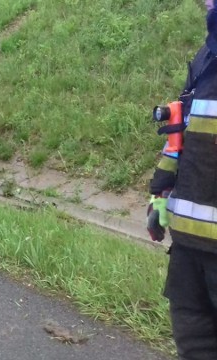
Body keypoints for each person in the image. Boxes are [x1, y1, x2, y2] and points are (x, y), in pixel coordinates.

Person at [147, 3, 217, 359]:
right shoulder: (207, 56)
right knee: (193, 343)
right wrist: (160, 196)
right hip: (188, 252)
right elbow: (181, 126)